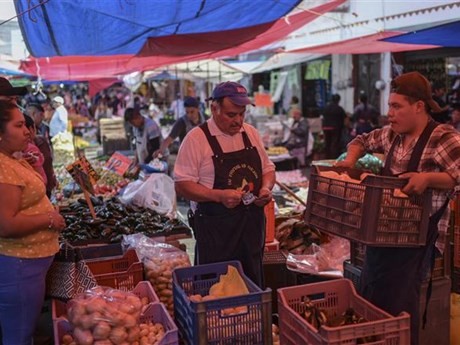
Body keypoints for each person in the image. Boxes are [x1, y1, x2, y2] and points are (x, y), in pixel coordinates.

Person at [336, 71, 460, 345]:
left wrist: (428, 179)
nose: (389, 113)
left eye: (396, 106)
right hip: (381, 234)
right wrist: (351, 160)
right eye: (389, 106)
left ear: (419, 106)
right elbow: (360, 141)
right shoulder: (392, 136)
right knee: (371, 298)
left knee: (400, 307)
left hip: (415, 241)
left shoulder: (442, 138)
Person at [174, 81, 275, 287]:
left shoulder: (251, 133)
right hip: (215, 230)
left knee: (252, 283)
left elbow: (268, 169)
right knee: (216, 287)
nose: (238, 121)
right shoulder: (196, 139)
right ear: (214, 108)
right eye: (231, 115)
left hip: (251, 227)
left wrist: (266, 188)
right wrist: (218, 196)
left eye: (242, 114)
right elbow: (182, 185)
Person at [0, 99, 66, 345]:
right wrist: (49, 218)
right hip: (19, 267)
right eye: (18, 125)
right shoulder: (2, 167)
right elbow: (6, 224)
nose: (27, 130)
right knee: (18, 336)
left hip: (27, 266)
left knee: (23, 332)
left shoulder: (11, 159)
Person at [322, 94, 346, 159]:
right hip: (335, 128)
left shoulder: (326, 108)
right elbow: (344, 117)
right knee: (334, 143)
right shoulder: (339, 109)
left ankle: (327, 157)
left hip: (326, 127)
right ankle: (333, 157)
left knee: (327, 142)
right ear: (338, 100)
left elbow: (323, 116)